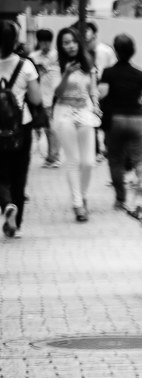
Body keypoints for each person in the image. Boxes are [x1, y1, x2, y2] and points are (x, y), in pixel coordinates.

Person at [51, 27, 100, 222]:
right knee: (74, 160)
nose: (70, 46)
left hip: (85, 111)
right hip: (64, 112)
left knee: (88, 162)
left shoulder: (88, 62)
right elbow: (57, 93)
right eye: (66, 43)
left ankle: (83, 195)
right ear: (61, 46)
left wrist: (96, 105)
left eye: (73, 41)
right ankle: (78, 203)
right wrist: (66, 74)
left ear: (79, 42)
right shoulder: (56, 64)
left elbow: (93, 90)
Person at [98, 34, 142, 213]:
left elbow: (102, 95)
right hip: (137, 119)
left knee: (115, 160)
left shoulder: (108, 73)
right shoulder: (141, 74)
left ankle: (120, 200)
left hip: (115, 120)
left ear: (115, 51)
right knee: (140, 159)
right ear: (133, 51)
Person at [0, 20, 41, 238]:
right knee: (19, 174)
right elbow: (36, 98)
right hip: (20, 127)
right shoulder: (26, 65)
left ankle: (6, 203)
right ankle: (16, 225)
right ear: (15, 40)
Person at [30, 29, 59, 167]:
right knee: (43, 128)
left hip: (53, 97)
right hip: (39, 97)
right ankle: (50, 156)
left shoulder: (57, 56)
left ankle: (54, 157)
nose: (45, 45)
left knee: (51, 128)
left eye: (47, 42)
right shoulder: (33, 57)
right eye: (42, 42)